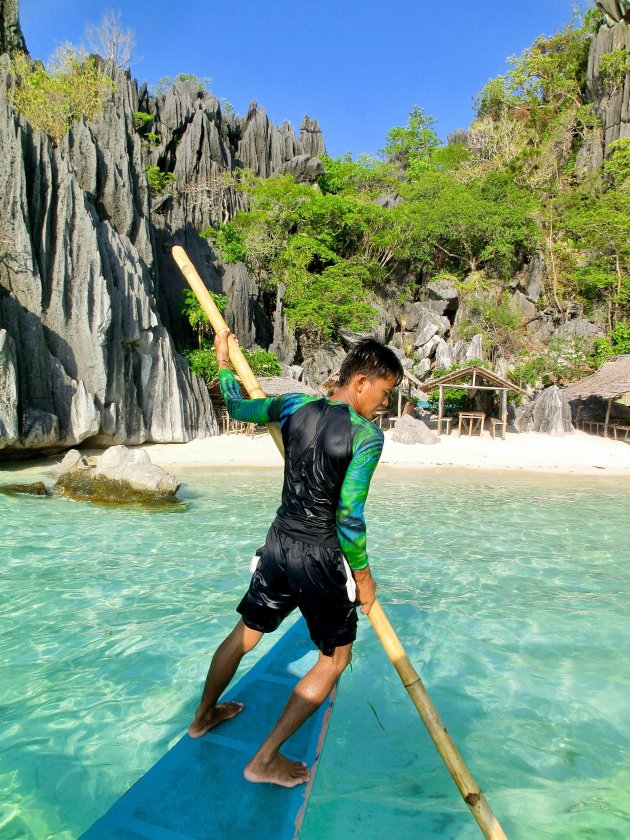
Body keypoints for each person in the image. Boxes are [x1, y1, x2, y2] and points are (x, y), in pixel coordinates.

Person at [188, 329, 403, 788]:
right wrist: (364, 578)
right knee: (334, 659)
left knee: (245, 634)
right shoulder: (366, 436)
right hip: (320, 556)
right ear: (362, 381)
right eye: (384, 393)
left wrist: (224, 363)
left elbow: (238, 407)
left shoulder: (292, 406)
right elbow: (348, 516)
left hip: (278, 543)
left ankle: (202, 716)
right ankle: (265, 758)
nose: (383, 404)